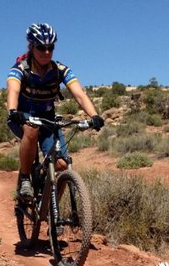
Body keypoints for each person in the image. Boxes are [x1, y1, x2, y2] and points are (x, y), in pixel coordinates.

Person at [7, 22, 104, 201]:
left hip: (47, 119)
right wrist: (13, 110)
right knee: (31, 128)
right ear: (31, 47)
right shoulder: (20, 69)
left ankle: (51, 210)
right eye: (41, 48)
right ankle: (25, 178)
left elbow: (79, 94)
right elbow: (12, 90)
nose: (46, 52)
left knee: (62, 164)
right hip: (21, 116)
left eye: (50, 48)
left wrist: (94, 116)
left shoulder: (60, 70)